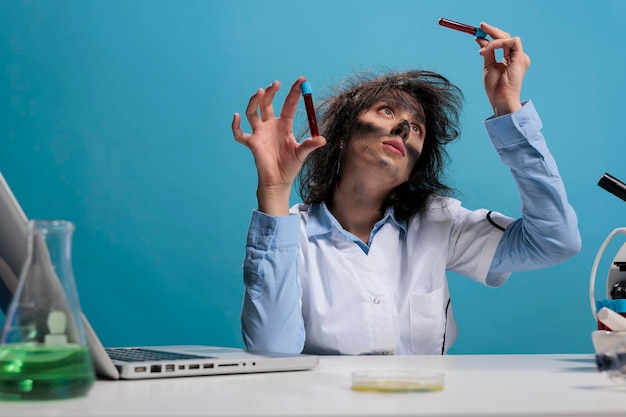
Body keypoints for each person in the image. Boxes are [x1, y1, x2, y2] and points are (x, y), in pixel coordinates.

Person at [231, 22, 581, 355]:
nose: (402, 127)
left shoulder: (441, 223)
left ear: (414, 167)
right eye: (386, 111)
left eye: (417, 129)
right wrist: (274, 189)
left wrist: (508, 108)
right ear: (343, 134)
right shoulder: (293, 238)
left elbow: (553, 242)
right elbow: (271, 351)